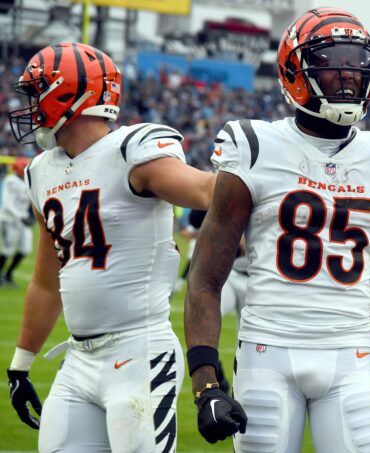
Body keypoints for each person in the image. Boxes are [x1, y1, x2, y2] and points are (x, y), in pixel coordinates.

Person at [184, 7, 370, 453]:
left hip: (349, 356)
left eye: (357, 64)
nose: (349, 76)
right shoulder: (253, 145)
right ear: (296, 71)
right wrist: (204, 381)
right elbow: (205, 277)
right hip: (266, 353)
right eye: (333, 64)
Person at [6, 42, 216, 452]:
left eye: (37, 92)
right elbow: (48, 283)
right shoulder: (40, 171)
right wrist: (21, 364)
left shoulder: (132, 150)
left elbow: (206, 191)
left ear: (68, 94)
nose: (29, 105)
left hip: (138, 351)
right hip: (79, 359)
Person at [0, 157, 33, 287]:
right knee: (8, 250)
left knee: (26, 249)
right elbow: (7, 204)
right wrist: (21, 215)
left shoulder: (27, 181)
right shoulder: (11, 181)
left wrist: (29, 215)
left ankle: (8, 274)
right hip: (9, 220)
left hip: (22, 220)